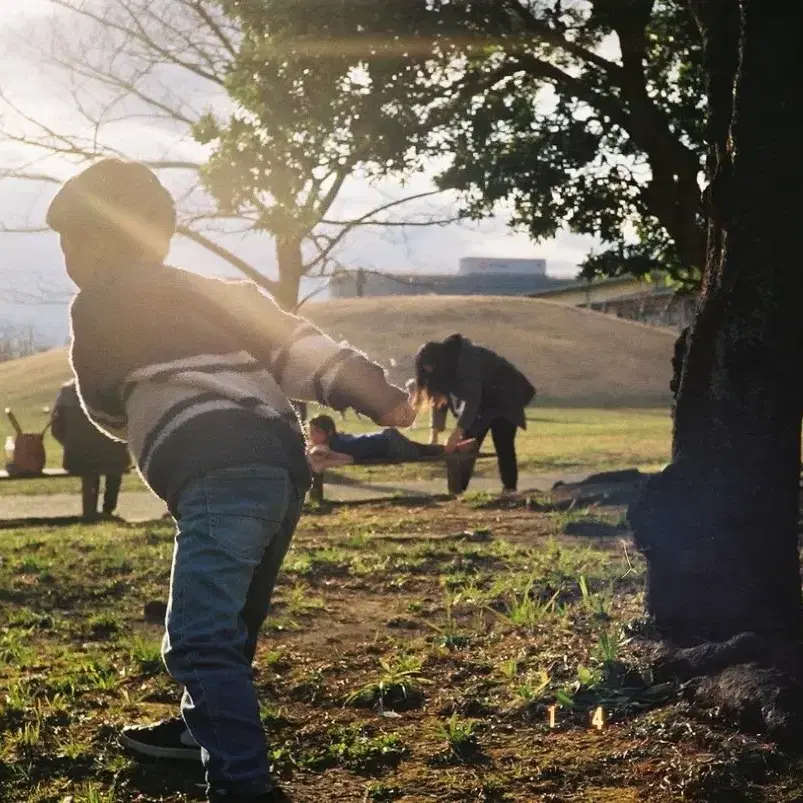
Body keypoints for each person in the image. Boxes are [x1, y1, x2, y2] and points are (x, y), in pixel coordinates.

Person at [46, 157, 414, 803]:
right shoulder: (222, 293)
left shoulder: (97, 302)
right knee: (232, 624)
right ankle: (198, 731)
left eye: (68, 242)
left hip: (214, 468)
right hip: (280, 466)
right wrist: (380, 397)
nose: (67, 258)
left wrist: (142, 420)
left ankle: (242, 782)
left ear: (101, 240)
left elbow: (101, 402)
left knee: (197, 637)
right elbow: (300, 348)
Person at [414, 334, 535, 495]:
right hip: (483, 404)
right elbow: (439, 402)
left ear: (439, 361)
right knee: (467, 448)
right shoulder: (441, 370)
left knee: (503, 444)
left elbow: (473, 399)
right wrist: (435, 433)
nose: (429, 373)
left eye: (430, 368)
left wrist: (457, 432)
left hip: (505, 397)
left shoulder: (466, 359)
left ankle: (509, 491)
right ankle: (457, 492)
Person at [50, 380, 130, 519]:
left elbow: (55, 428)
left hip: (76, 456)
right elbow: (122, 425)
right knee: (115, 462)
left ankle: (91, 511)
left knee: (93, 463)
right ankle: (108, 510)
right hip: (110, 457)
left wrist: (69, 444)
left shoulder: (66, 391)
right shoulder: (112, 390)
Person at [306, 413, 474, 465]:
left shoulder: (337, 445)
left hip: (389, 444)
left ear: (328, 433)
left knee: (422, 453)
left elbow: (347, 458)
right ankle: (457, 446)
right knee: (423, 449)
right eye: (310, 432)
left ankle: (456, 448)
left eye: (316, 432)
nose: (312, 436)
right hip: (386, 437)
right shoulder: (336, 440)